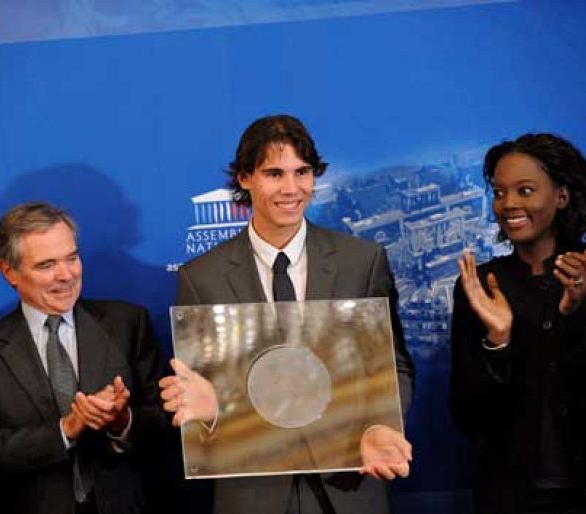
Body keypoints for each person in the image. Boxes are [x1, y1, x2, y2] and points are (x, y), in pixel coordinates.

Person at [160, 114, 415, 513]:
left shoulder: (361, 262)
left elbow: (392, 366)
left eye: (303, 172)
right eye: (274, 174)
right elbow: (203, 396)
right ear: (245, 178)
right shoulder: (201, 278)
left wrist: (381, 424)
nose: (291, 189)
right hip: (252, 491)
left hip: (350, 482)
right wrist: (206, 415)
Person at [449, 133, 586, 514]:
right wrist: (498, 340)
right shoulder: (481, 284)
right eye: (499, 193)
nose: (509, 204)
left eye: (524, 190)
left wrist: (580, 312)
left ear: (562, 196)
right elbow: (468, 418)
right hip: (510, 498)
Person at [0, 202, 166, 514]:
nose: (66, 275)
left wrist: (124, 421)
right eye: (46, 265)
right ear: (9, 271)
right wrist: (65, 429)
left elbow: (165, 421)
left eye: (72, 258)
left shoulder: (127, 324)